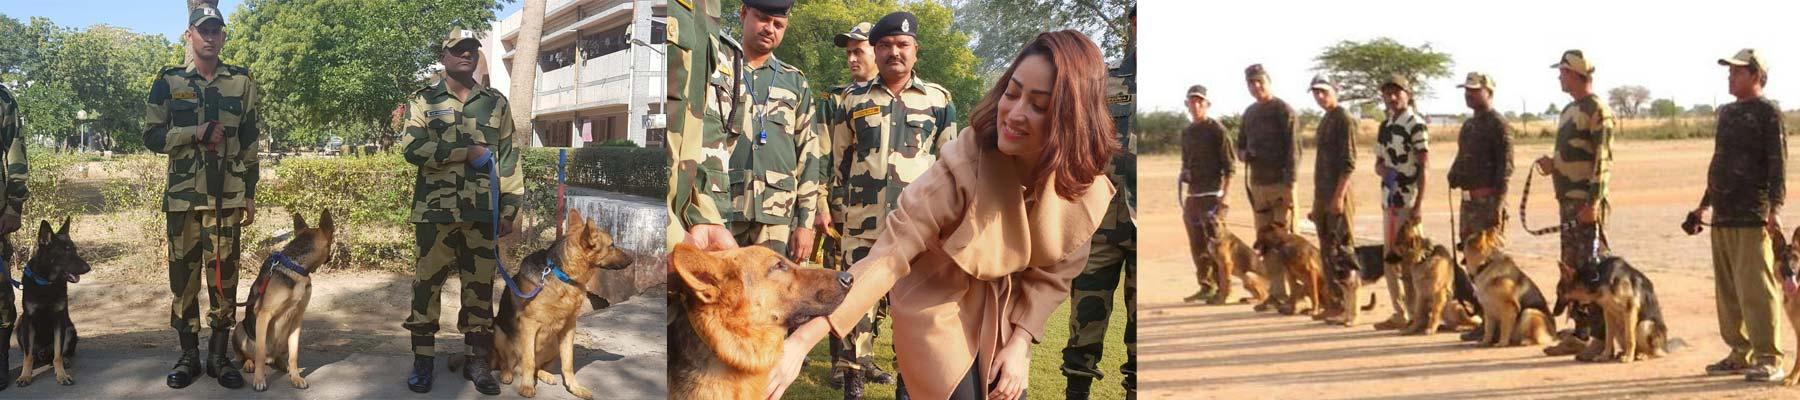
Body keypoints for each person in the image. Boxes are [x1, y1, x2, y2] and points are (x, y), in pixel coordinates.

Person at [768, 30, 1119, 400]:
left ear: (1072, 116)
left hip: (1003, 310)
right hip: (936, 296)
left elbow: (1054, 273)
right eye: (1012, 93)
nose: (1014, 114)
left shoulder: (1081, 184)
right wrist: (802, 341)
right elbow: (889, 255)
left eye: (1039, 105)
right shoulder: (962, 164)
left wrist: (1021, 343)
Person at [829, 11, 960, 395]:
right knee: (856, 298)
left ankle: (910, 381)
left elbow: (951, 166)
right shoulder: (853, 99)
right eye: (884, 45)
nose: (893, 52)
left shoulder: (939, 100)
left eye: (902, 45)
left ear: (915, 50)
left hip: (918, 226)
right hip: (862, 221)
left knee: (912, 305)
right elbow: (840, 161)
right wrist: (837, 211)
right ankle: (853, 374)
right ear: (876, 50)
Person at [397, 29, 523, 395]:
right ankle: (423, 361)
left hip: (482, 213)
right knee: (426, 288)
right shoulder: (423, 99)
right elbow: (411, 148)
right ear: (445, 55)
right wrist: (461, 151)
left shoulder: (495, 103)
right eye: (458, 49)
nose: (466, 54)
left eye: (472, 49)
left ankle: (477, 361)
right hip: (434, 214)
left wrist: (511, 207)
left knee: (480, 291)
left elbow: (510, 157)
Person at [143, 4, 261, 389]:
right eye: (203, 30)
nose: (210, 37)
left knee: (224, 277)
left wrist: (250, 192)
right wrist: (193, 132)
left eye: (216, 30)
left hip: (226, 199)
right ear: (189, 36)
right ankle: (188, 356)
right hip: (182, 200)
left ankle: (218, 358)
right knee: (183, 280)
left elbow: (249, 140)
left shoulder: (241, 82)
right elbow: (151, 136)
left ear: (223, 36)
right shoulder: (169, 80)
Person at [1690, 48, 1786, 381]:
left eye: (1738, 72)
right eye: (1729, 72)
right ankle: (1739, 351)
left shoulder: (1768, 114)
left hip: (1752, 215)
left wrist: (1775, 209)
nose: (1730, 77)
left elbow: (1777, 165)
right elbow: (1719, 162)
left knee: (1756, 289)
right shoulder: (1727, 113)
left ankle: (1770, 357)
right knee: (1728, 290)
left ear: (1757, 75)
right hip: (1723, 214)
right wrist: (1703, 205)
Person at [818, 20, 898, 391]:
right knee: (845, 284)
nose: (852, 58)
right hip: (846, 211)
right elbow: (827, 158)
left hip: (889, 212)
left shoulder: (899, 98)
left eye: (857, 50)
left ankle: (864, 359)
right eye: (847, 52)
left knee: (878, 294)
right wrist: (826, 204)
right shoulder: (838, 98)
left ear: (876, 50)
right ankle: (842, 364)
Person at [1062, 6, 1136, 398]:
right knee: (1084, 320)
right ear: (1134, 23)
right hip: (1100, 224)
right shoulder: (1103, 82)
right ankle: (1076, 392)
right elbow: (1077, 144)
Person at [1538, 50, 1615, 361]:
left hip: (1585, 204)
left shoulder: (1598, 110)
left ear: (1576, 75)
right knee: (1571, 272)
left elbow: (1602, 161)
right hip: (1568, 204)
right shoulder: (1569, 109)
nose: (1559, 76)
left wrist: (1593, 202)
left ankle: (1601, 336)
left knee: (1591, 270)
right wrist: (1552, 164)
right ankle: (1579, 332)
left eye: (1563, 72)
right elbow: (1574, 154)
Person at [667, 0, 745, 252]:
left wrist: (704, 218)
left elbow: (690, 136)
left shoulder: (708, 7)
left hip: (691, 229)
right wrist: (671, 236)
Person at [1448, 71, 1514, 341]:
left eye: (1474, 90)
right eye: (1466, 90)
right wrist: (1454, 173)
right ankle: (1484, 319)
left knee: (1493, 264)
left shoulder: (1498, 125)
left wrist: (1498, 205)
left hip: (1489, 201)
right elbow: (1462, 157)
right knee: (1472, 263)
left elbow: (1506, 168)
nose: (1469, 94)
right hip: (1468, 202)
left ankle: (1501, 321)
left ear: (1489, 91)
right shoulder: (1469, 126)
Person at [1237, 63, 1299, 313]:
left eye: (1260, 81)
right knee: (1266, 243)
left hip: (1281, 185)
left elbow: (1294, 151)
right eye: (1251, 83)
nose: (1256, 87)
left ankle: (1297, 295)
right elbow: (1240, 147)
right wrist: (1244, 154)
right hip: (1258, 186)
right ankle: (1276, 293)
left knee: (1287, 243)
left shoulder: (1283, 110)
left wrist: (1290, 185)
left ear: (1269, 82)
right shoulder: (1249, 113)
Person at [1372, 73, 1429, 331]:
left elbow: (1424, 166)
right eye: (1387, 93)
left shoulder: (1415, 124)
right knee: (1391, 259)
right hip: (1389, 200)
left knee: (1412, 260)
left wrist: (1418, 206)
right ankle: (1400, 312)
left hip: (1408, 200)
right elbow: (1379, 162)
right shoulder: (1385, 125)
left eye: (1397, 92)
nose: (1392, 98)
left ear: (1408, 94)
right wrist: (1384, 172)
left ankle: (1419, 313)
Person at [1307, 74, 1360, 324]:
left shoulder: (1343, 119)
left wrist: (1338, 196)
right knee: (1327, 249)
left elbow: (1349, 162)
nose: (1319, 96)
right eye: (1315, 92)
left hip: (1338, 193)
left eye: (1323, 91)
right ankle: (1334, 302)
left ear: (1334, 91)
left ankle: (1349, 306)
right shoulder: (1326, 119)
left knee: (1343, 250)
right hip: (1323, 193)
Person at [1179, 84, 1234, 304]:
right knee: (1197, 244)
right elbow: (1186, 162)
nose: (1196, 105)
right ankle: (1206, 285)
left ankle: (1223, 289)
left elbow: (1230, 166)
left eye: (1200, 101)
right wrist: (1185, 173)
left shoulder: (1217, 130)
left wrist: (1226, 195)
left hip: (1214, 195)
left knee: (1217, 245)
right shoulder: (1187, 132)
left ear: (1207, 104)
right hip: (1193, 195)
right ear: (1187, 104)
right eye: (1192, 101)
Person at [0, 80, 28, 392]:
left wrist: (14, 205)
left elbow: (15, 152)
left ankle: (1, 358)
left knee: (0, 294)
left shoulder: (2, 99)